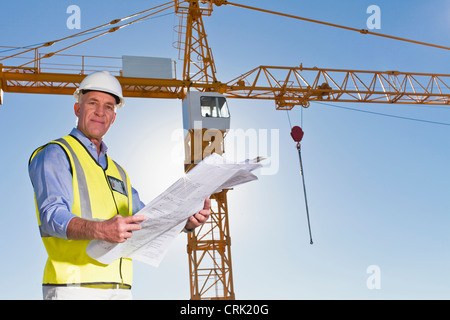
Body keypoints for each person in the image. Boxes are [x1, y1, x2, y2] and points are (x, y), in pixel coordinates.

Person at [28, 71, 210, 300]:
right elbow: (52, 216)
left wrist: (185, 221)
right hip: (73, 289)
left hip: (121, 291)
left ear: (113, 117)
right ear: (77, 109)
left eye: (108, 107)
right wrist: (101, 230)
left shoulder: (119, 172)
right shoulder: (57, 153)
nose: (100, 113)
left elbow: (147, 220)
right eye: (92, 103)